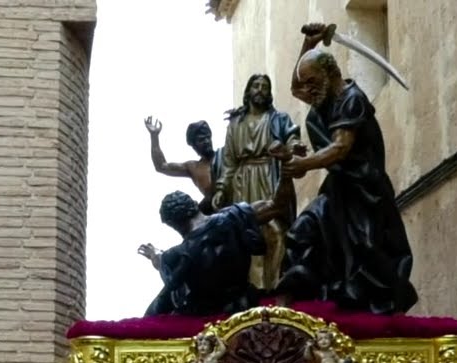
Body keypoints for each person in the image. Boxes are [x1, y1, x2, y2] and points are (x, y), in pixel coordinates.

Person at [275, 23, 417, 314]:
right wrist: (308, 46)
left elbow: (340, 148)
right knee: (304, 231)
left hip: (365, 192)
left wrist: (304, 163)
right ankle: (285, 308)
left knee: (367, 253)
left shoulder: (352, 100)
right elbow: (296, 86)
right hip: (338, 190)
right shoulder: (322, 96)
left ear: (330, 74)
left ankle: (388, 312)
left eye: (313, 82)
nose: (307, 90)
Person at [141, 190, 290, 317]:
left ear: (173, 224)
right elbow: (277, 205)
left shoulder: (175, 255)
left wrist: (156, 255)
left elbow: (175, 293)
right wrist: (286, 170)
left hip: (210, 312)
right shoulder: (234, 216)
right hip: (246, 297)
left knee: (154, 311)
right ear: (194, 204)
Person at [213, 73, 300, 290]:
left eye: (264, 86)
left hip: (269, 177)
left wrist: (293, 147)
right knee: (244, 235)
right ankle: (250, 288)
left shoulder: (278, 119)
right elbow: (229, 161)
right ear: (248, 90)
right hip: (242, 181)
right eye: (256, 85)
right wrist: (222, 189)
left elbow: (292, 138)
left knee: (276, 230)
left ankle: (274, 286)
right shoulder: (235, 124)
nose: (260, 89)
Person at [145, 116, 224, 213]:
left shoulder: (224, 155)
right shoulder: (193, 167)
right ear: (194, 145)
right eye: (201, 139)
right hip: (214, 212)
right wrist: (154, 136)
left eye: (208, 137)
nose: (207, 141)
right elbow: (161, 166)